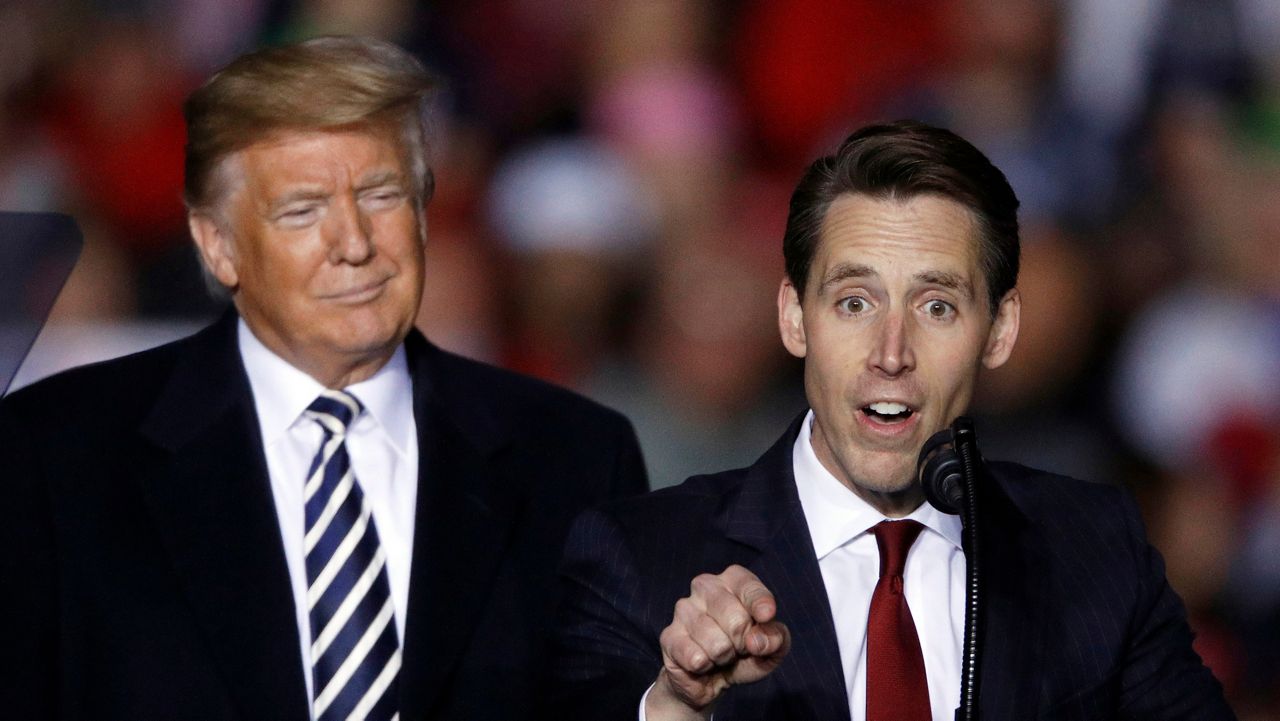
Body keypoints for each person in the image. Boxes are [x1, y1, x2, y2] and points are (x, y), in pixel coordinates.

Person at [0, 36, 647, 721]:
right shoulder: (56, 454)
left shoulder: (576, 457)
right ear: (217, 244)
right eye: (304, 210)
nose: (355, 243)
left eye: (381, 194)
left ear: (425, 213)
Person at [549, 120, 1234, 720]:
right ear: (794, 316)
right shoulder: (637, 557)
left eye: (936, 306)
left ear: (998, 330)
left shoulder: (1094, 550)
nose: (891, 353)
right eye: (854, 302)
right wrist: (674, 707)